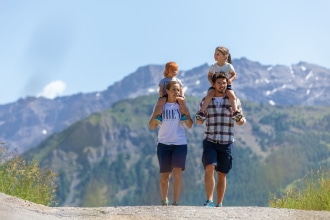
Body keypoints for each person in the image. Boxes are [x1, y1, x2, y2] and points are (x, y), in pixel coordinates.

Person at [195, 72, 246, 207]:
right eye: (219, 83)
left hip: (226, 141)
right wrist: (199, 118)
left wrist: (239, 119)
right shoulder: (206, 100)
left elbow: (242, 122)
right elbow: (199, 122)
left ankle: (219, 204)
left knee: (222, 174)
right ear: (213, 84)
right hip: (210, 140)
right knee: (209, 168)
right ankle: (209, 200)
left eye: (224, 83)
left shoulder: (233, 100)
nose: (222, 85)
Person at [149, 81, 194, 206]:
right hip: (163, 144)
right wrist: (157, 113)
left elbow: (190, 125)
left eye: (178, 90)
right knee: (165, 175)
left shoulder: (183, 105)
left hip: (180, 143)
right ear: (167, 91)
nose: (176, 92)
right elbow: (152, 126)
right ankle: (164, 200)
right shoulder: (160, 105)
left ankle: (176, 202)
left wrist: (185, 112)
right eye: (173, 89)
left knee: (177, 172)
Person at [196, 46, 243, 121]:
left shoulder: (229, 66)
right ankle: (202, 111)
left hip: (226, 85)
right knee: (209, 94)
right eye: (215, 54)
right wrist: (211, 82)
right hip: (215, 85)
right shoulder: (213, 67)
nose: (215, 56)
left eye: (218, 54)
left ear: (225, 56)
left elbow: (234, 74)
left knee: (232, 95)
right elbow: (209, 76)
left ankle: (235, 111)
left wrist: (230, 80)